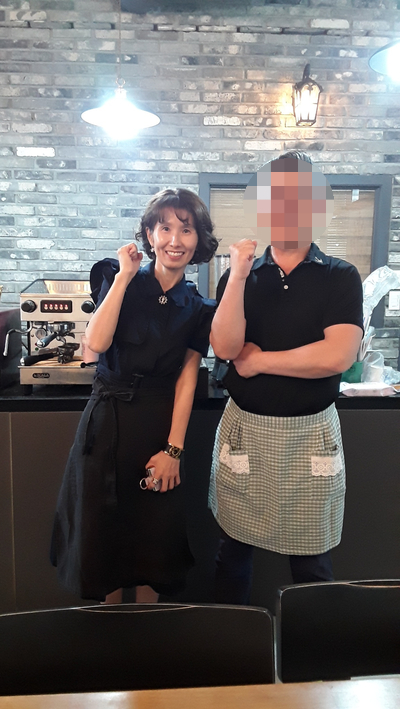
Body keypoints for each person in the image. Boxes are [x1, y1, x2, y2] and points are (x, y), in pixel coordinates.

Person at [209, 151, 364, 604]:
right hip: (246, 431)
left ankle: (315, 651)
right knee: (231, 554)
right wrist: (237, 276)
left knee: (312, 564)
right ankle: (231, 646)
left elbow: (338, 355)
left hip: (311, 435)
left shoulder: (340, 276)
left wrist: (261, 362)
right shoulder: (240, 276)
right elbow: (225, 348)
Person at [51, 188, 218, 604]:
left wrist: (174, 451)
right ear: (149, 234)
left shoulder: (198, 307)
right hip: (106, 424)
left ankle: (146, 639)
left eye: (186, 230)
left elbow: (187, 379)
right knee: (100, 544)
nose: (175, 240)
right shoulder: (117, 276)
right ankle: (108, 641)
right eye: (165, 228)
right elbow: (96, 343)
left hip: (157, 429)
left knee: (153, 545)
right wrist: (125, 276)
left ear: (199, 239)